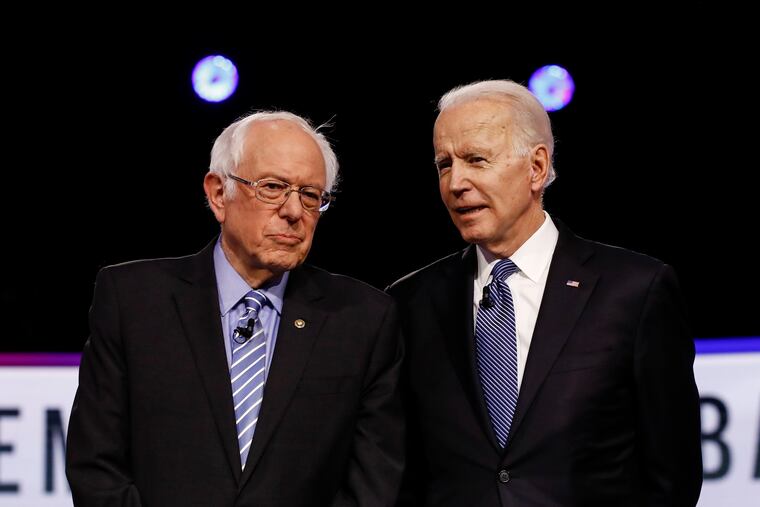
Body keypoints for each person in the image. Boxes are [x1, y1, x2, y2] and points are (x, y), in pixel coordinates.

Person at [387, 80, 702, 506]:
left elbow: (672, 476)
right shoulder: (410, 303)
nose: (456, 182)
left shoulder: (635, 291)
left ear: (536, 167)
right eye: (444, 164)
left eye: (476, 159)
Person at [66, 111, 404, 506]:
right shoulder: (133, 300)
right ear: (217, 193)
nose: (294, 212)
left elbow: (373, 483)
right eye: (273, 187)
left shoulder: (363, 319)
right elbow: (96, 467)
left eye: (310, 195)